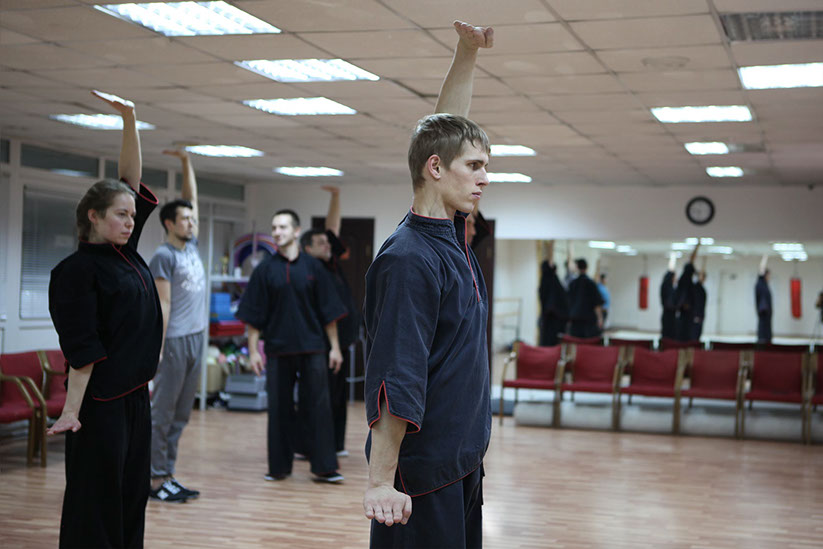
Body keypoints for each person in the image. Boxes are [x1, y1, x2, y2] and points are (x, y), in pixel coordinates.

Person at [362, 20, 493, 549]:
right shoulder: (410, 259)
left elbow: (443, 131)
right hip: (420, 479)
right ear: (436, 170)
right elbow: (397, 376)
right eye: (475, 166)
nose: (484, 178)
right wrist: (381, 481)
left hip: (460, 462)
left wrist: (467, 53)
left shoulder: (450, 236)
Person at [47, 91, 162, 548]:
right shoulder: (76, 272)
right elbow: (83, 349)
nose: (131, 222)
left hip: (135, 397)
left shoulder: (125, 255)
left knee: (133, 497)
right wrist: (71, 412)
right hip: (100, 405)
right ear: (94, 217)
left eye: (133, 215)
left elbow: (129, 179)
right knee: (96, 503)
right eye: (121, 215)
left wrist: (130, 119)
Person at [235, 209, 347, 483]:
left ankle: (324, 467)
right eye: (274, 227)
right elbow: (254, 316)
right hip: (278, 348)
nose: (277, 232)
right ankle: (278, 467)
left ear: (296, 231)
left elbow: (328, 312)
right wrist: (253, 351)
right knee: (279, 408)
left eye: (283, 227)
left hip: (313, 347)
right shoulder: (264, 270)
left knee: (319, 406)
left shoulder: (314, 268)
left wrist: (335, 348)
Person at [147, 148, 206, 503]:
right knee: (163, 414)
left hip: (197, 339)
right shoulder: (164, 256)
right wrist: (158, 346)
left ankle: (168, 473)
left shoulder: (190, 247)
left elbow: (192, 199)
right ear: (169, 223)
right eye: (184, 219)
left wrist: (186, 162)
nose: (190, 222)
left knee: (182, 414)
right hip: (174, 341)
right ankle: (155, 478)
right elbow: (163, 304)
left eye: (191, 218)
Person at [299, 185, 361, 458]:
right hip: (320, 344)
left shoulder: (330, 263)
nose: (328, 246)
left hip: (341, 343)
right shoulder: (308, 270)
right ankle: (308, 445)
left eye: (327, 243)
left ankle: (335, 443)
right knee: (316, 395)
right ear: (308, 249)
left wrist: (336, 197)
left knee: (337, 395)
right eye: (321, 243)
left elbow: (332, 228)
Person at [539, 240, 569, 346]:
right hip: (553, 319)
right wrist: (551, 246)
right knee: (552, 341)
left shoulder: (545, 281)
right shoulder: (551, 281)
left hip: (550, 318)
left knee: (548, 341)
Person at [566, 258, 604, 338]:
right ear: (586, 267)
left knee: (576, 342)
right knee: (587, 342)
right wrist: (600, 318)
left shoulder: (572, 284)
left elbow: (568, 303)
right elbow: (597, 303)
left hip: (575, 320)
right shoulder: (591, 283)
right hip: (588, 321)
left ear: (577, 268)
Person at [674, 243, 700, 342]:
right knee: (684, 331)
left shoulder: (686, 280)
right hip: (685, 310)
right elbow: (691, 260)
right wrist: (697, 247)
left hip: (688, 310)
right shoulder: (685, 279)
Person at [755, 254, 773, 344]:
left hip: (767, 312)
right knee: (763, 327)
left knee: (767, 327)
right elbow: (761, 269)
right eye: (768, 275)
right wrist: (765, 258)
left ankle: (767, 339)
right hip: (763, 311)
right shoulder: (760, 283)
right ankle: (762, 340)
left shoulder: (765, 285)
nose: (769, 277)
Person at [661, 253, 678, 339]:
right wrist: (673, 258)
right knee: (667, 335)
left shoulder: (671, 288)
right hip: (667, 315)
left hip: (672, 315)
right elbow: (670, 271)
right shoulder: (666, 286)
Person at [691, 265, 707, 342]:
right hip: (696, 316)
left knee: (697, 335)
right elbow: (697, 303)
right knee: (694, 335)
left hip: (699, 316)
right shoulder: (696, 288)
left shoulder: (701, 289)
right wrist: (696, 316)